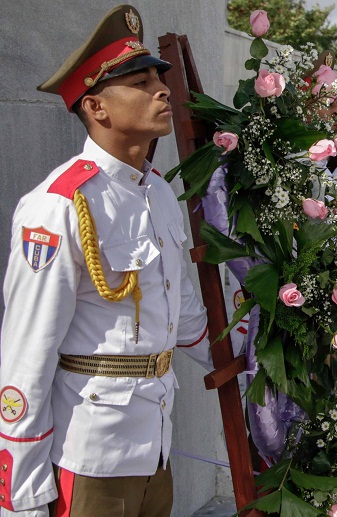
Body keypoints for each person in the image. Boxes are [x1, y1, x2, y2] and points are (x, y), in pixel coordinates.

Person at [0, 5, 212, 515]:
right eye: (140, 83)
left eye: (159, 79)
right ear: (96, 107)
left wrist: (252, 365)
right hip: (91, 451)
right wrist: (21, 494)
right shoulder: (57, 205)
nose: (161, 90)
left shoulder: (158, 193)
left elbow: (184, 314)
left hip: (155, 442)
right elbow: (26, 352)